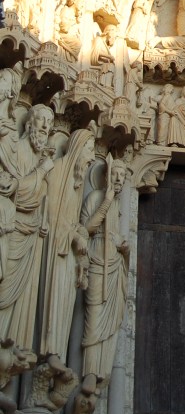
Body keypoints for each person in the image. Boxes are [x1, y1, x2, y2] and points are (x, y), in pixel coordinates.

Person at [0, 103, 54, 349]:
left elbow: (41, 198)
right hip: (13, 230)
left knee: (20, 299)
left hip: (31, 234)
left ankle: (10, 344)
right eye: (41, 120)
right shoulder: (18, 151)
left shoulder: (40, 156)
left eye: (49, 124)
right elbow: (16, 192)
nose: (45, 127)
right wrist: (42, 171)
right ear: (28, 123)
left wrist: (43, 219)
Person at [40, 128, 95, 367]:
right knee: (55, 297)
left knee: (65, 304)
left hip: (68, 254)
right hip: (54, 252)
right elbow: (50, 215)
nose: (93, 157)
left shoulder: (76, 181)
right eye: (91, 150)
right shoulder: (58, 171)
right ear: (78, 148)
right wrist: (74, 234)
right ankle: (48, 355)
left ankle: (58, 354)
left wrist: (79, 232)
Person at [81, 158, 130, 384]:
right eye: (115, 174)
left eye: (123, 175)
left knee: (109, 320)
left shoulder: (119, 205)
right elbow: (85, 229)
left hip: (113, 263)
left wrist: (124, 248)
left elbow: (117, 238)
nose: (119, 179)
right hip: (96, 260)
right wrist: (106, 201)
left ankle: (101, 374)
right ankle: (89, 374)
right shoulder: (95, 197)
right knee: (93, 318)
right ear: (105, 176)